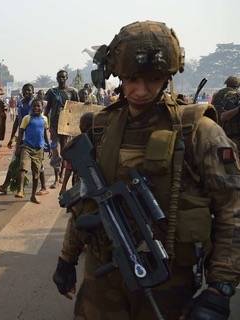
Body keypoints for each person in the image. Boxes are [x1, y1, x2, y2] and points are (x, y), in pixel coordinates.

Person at [52, 21, 240, 320]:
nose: (141, 90)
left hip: (166, 282)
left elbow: (232, 208)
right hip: (103, 278)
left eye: (153, 79)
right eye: (132, 79)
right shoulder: (102, 127)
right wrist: (67, 258)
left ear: (167, 76)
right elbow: (87, 199)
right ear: (116, 75)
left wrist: (220, 287)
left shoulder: (198, 131)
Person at [14, 98, 49, 204]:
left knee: (36, 174)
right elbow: (20, 133)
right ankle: (20, 189)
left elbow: (45, 134)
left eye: (38, 106)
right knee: (23, 167)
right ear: (31, 108)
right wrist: (18, 147)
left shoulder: (44, 119)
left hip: (39, 149)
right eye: (34, 106)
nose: (36, 108)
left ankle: (33, 195)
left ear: (42, 108)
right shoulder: (27, 118)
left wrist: (49, 146)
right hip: (27, 147)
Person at [58, 112, 93, 196]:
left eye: (81, 124)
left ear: (83, 126)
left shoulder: (77, 143)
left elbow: (69, 168)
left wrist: (63, 187)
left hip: (81, 181)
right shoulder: (100, 140)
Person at [45, 70, 79, 151]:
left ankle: (64, 163)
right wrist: (46, 122)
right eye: (59, 77)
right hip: (54, 123)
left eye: (63, 77)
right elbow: (47, 108)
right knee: (54, 147)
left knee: (65, 147)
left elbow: (77, 108)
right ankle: (56, 162)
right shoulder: (52, 92)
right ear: (56, 78)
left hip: (66, 122)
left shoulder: (73, 92)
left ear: (66, 78)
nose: (61, 79)